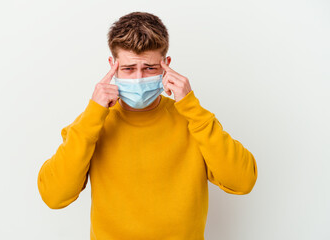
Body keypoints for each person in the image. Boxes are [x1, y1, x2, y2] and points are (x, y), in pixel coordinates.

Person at [37, 11, 258, 240]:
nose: (139, 78)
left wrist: (190, 106)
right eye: (129, 69)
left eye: (150, 68)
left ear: (166, 64)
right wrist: (94, 112)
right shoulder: (92, 124)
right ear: (113, 65)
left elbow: (242, 181)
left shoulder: (193, 120)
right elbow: (54, 195)